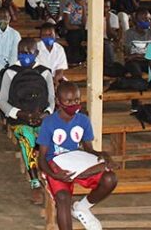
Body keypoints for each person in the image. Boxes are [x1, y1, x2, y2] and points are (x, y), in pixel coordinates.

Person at [37, 82, 118, 230]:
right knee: (63, 197)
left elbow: (88, 149)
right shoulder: (49, 123)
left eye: (76, 100)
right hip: (56, 166)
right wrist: (53, 175)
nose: (73, 104)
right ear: (58, 102)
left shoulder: (83, 120)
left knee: (110, 178)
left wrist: (104, 156)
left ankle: (81, 207)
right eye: (68, 101)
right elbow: (41, 158)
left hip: (78, 162)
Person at [0, 38, 55, 203]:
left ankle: (51, 173)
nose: (25, 55)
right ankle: (35, 182)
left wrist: (45, 113)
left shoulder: (45, 72)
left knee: (50, 137)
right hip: (20, 119)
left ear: (36, 53)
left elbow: (52, 99)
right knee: (26, 137)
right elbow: (2, 102)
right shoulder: (10, 72)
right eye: (21, 52)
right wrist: (21, 114)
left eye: (29, 52)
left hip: (43, 118)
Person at [122, 8, 151, 78]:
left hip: (148, 61)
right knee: (136, 72)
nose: (148, 21)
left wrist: (137, 55)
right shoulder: (129, 33)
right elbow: (128, 55)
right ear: (136, 21)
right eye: (144, 19)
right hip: (134, 62)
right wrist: (143, 56)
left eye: (149, 19)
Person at [63, 0, 88, 65]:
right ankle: (75, 60)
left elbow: (85, 23)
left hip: (84, 29)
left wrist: (83, 6)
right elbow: (67, 25)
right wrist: (78, 27)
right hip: (73, 30)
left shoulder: (89, 4)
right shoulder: (69, 5)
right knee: (75, 37)